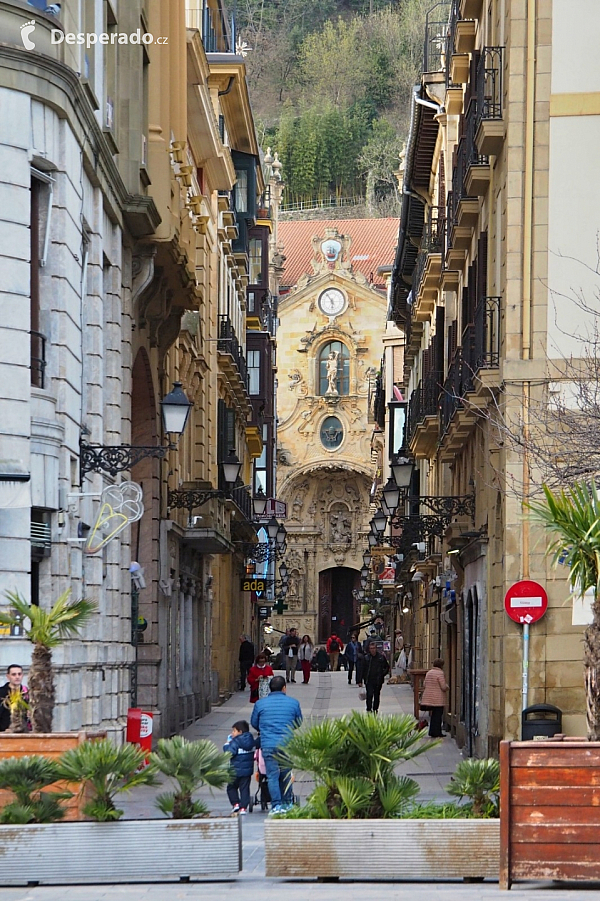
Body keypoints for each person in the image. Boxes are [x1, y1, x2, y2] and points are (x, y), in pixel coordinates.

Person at [250, 675, 303, 814]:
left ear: (269, 688)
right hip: (286, 744)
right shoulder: (293, 703)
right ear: (284, 688)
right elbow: (298, 722)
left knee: (272, 775)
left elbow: (254, 723)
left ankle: (276, 805)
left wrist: (265, 729)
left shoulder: (260, 704)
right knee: (285, 774)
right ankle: (287, 803)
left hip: (268, 744)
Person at [223, 720, 255, 814]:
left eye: (234, 731)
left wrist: (227, 744)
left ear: (240, 732)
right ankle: (243, 808)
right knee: (244, 789)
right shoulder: (251, 740)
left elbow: (230, 753)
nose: (232, 733)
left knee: (231, 787)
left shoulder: (235, 742)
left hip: (235, 770)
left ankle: (236, 803)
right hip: (247, 771)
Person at [420, 658, 449, 738]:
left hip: (428, 697)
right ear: (441, 666)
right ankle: (437, 732)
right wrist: (447, 687)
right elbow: (443, 686)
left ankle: (432, 731)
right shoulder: (440, 673)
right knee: (438, 715)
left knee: (433, 715)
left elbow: (424, 684)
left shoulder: (429, 672)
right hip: (437, 698)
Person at [0, 664, 29, 732]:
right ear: (8, 676)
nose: (17, 677)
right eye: (14, 674)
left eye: (19, 674)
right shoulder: (1, 692)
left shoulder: (27, 692)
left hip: (24, 732)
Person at [362, 641, 389, 713]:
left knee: (376, 695)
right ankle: (368, 708)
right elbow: (362, 669)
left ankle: (375, 708)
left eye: (374, 648)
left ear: (376, 648)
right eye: (371, 648)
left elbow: (386, 667)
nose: (372, 650)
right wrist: (360, 680)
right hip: (369, 680)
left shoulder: (381, 657)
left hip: (378, 680)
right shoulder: (366, 658)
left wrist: (382, 674)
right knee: (369, 694)